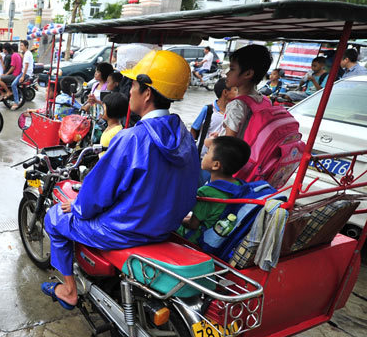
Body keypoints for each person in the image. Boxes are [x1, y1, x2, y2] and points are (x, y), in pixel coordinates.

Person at [42, 49, 199, 309]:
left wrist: (78, 206)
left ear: (147, 93)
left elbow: (97, 194)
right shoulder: (184, 136)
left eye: (134, 85)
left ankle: (69, 290)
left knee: (55, 217)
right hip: (164, 225)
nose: (130, 91)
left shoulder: (132, 138)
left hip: (125, 230)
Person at [177, 136, 250, 243]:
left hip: (196, 240)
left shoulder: (206, 192)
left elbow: (193, 224)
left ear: (216, 165)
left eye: (207, 153)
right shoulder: (239, 185)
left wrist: (178, 219)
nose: (204, 155)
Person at [221, 44, 272, 138]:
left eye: (232, 69)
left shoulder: (237, 105)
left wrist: (210, 142)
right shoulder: (265, 101)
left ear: (248, 74)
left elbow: (227, 143)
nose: (227, 73)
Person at [190, 77, 237, 155]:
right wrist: (191, 150)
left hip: (220, 156)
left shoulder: (234, 112)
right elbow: (194, 129)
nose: (238, 93)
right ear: (225, 92)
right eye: (235, 90)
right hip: (202, 155)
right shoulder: (208, 110)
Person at [11, 40, 35, 110]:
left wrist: (23, 76)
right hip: (26, 72)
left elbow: (26, 66)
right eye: (20, 45)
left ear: (26, 46)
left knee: (13, 84)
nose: (21, 47)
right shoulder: (27, 53)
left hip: (26, 73)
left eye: (22, 45)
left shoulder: (27, 54)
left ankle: (16, 102)